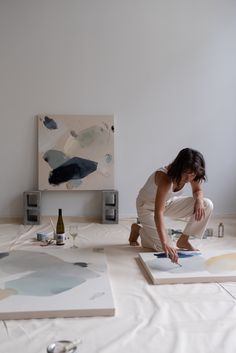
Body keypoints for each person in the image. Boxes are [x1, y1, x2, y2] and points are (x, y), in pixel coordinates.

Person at [129, 148, 213, 264]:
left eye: (192, 175)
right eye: (185, 174)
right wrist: (165, 243)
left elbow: (197, 190)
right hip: (147, 207)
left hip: (168, 203)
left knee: (206, 204)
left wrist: (198, 200)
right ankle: (138, 229)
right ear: (179, 168)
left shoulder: (193, 172)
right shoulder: (165, 178)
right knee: (163, 248)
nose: (189, 179)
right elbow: (158, 213)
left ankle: (184, 240)